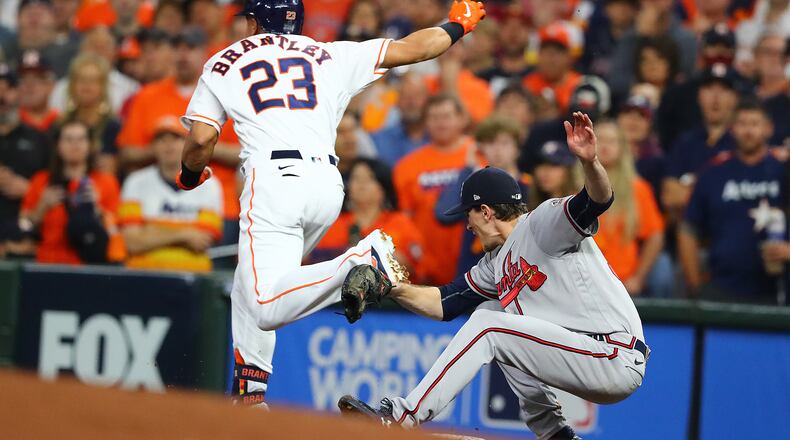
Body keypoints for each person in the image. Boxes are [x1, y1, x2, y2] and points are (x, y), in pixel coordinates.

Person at [175, 0, 487, 405]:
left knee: (266, 305)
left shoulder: (225, 59)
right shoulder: (329, 53)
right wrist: (458, 24)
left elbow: (201, 139)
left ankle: (362, 260)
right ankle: (250, 391)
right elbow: (416, 48)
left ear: (253, 22)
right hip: (326, 184)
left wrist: (189, 174)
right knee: (250, 286)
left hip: (274, 183)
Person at [338, 113, 647, 440]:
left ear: (485, 211)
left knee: (489, 325)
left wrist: (590, 162)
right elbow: (444, 302)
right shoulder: (496, 262)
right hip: (583, 353)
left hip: (612, 353)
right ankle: (556, 434)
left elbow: (596, 200)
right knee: (491, 311)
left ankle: (402, 418)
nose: (467, 224)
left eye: (469, 215)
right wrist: (391, 288)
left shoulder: (541, 224)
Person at [678, 100, 784, 303]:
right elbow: (688, 228)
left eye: (755, 124)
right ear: (732, 129)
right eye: (742, 124)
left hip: (776, 288)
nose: (748, 131)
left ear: (768, 128)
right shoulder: (712, 173)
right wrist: (695, 285)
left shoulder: (783, 172)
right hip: (721, 287)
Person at [119, 116, 223, 272]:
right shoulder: (135, 182)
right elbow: (132, 243)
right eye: (162, 139)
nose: (169, 145)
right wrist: (185, 233)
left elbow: (202, 241)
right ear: (153, 146)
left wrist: (151, 232)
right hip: (143, 275)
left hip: (193, 277)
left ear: (188, 144)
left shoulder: (209, 184)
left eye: (176, 139)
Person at [394, 94, 477, 285]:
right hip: (426, 267)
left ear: (462, 119)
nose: (441, 123)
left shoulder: (480, 154)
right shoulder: (406, 166)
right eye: (434, 117)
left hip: (473, 260)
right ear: (425, 122)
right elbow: (404, 219)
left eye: (446, 116)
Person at [436, 117, 531, 275]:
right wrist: (468, 168)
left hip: (515, 270)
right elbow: (443, 214)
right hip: (473, 268)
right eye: (491, 143)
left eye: (505, 143)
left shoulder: (530, 186)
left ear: (517, 149)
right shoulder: (474, 185)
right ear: (481, 148)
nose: (497, 150)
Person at [19, 119, 122, 264]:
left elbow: (117, 231)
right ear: (58, 146)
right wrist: (40, 208)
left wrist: (97, 209)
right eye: (68, 139)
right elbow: (22, 226)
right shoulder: (41, 181)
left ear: (90, 146)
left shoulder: (106, 182)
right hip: (49, 262)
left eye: (81, 139)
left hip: (90, 264)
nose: (75, 145)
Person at [310, 158, 425, 281]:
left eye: (369, 178)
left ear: (383, 187)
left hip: (392, 290)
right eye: (356, 178)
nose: (362, 184)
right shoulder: (333, 223)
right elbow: (314, 262)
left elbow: (414, 266)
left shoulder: (400, 222)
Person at [592, 120, 668, 297]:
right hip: (583, 280)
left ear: (622, 148)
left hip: (623, 281)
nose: (605, 146)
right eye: (599, 139)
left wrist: (638, 278)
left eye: (612, 141)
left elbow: (655, 236)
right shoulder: (572, 186)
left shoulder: (638, 188)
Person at [662, 63, 738, 222]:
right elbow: (670, 196)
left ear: (734, 98)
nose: (716, 97)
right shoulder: (684, 143)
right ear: (699, 95)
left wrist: (692, 190)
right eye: (709, 88)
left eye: (723, 90)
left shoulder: (741, 143)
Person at [0, 63, 51, 257]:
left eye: (8, 89)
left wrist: (29, 190)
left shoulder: (40, 139)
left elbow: (55, 186)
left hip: (25, 237)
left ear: (19, 93)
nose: (2, 96)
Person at [58, 53, 121, 174]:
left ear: (103, 87)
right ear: (72, 85)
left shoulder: (114, 128)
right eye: (81, 80)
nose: (87, 86)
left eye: (93, 80)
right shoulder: (60, 125)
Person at [370, 72, 430, 167]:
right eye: (405, 97)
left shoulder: (440, 135)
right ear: (396, 102)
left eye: (417, 96)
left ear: (428, 100)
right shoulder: (380, 140)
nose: (411, 102)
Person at [523, 22, 582, 115]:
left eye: (557, 51)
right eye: (546, 51)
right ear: (538, 55)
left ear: (569, 57)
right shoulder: (527, 85)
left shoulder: (579, 85)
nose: (551, 58)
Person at [527, 140, 581, 210]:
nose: (545, 171)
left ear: (568, 171)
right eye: (541, 164)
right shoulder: (529, 204)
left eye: (554, 165)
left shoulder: (581, 204)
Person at [16, 50, 59, 133]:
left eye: (37, 78)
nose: (29, 85)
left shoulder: (62, 122)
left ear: (51, 85)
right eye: (23, 78)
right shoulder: (9, 124)